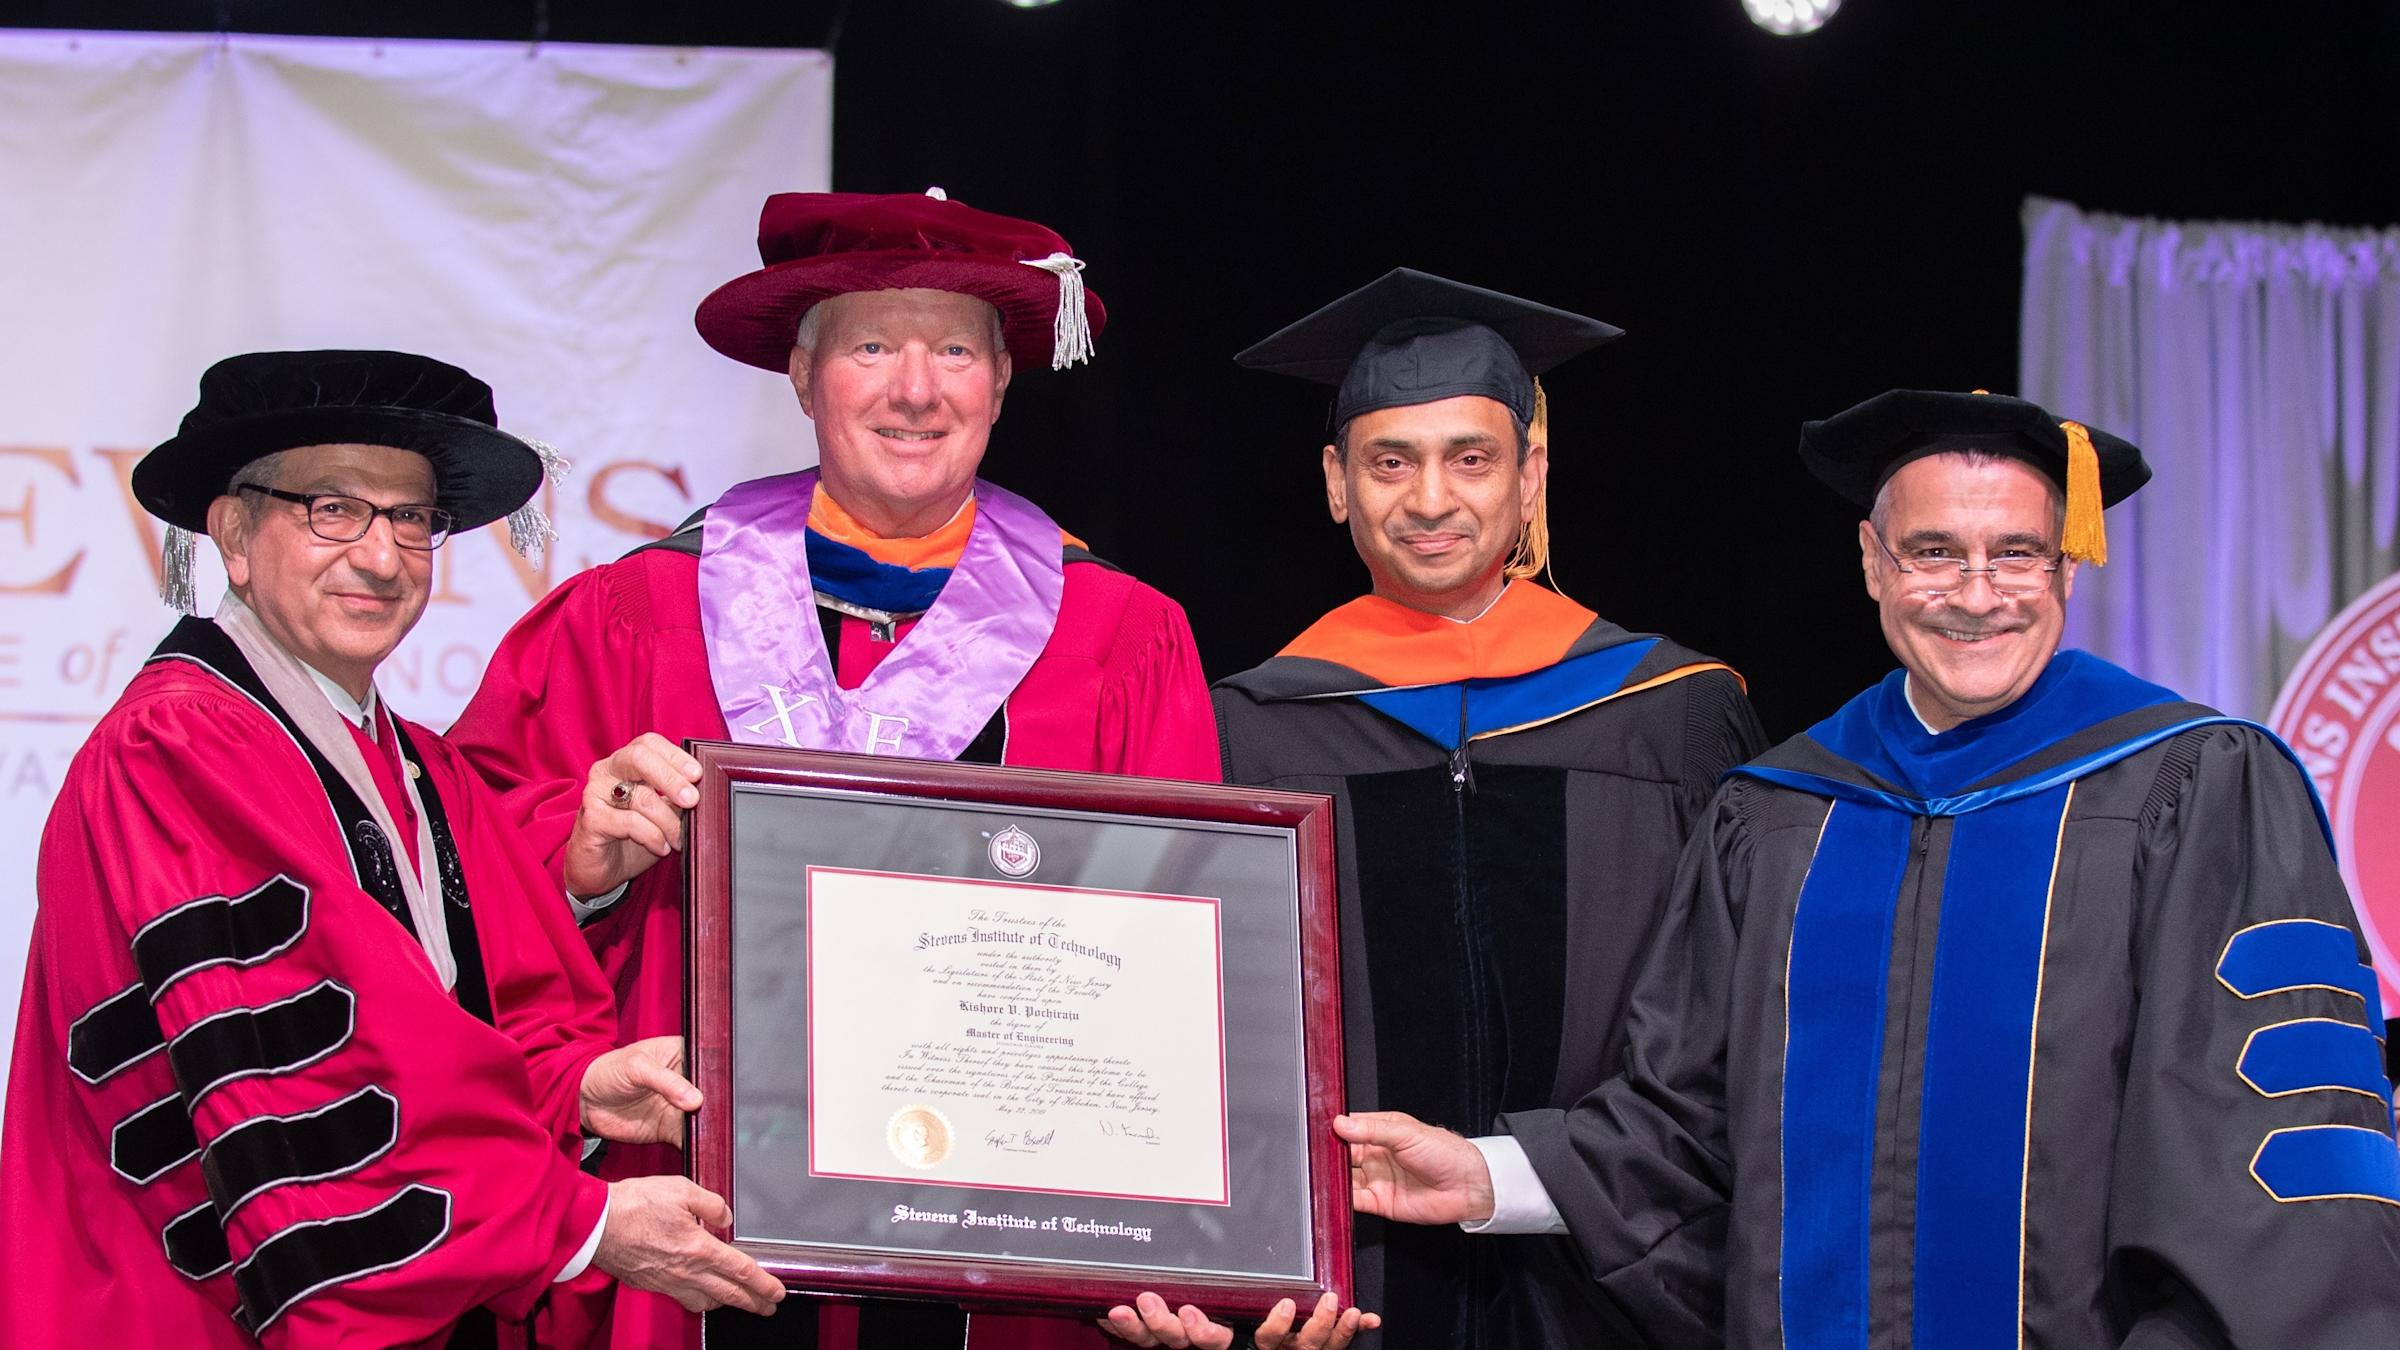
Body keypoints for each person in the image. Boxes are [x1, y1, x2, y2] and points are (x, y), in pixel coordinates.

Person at [1338, 388, 2400, 1347]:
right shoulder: (1784, 813)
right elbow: (1683, 1126)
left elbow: (2279, 1157)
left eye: (2017, 553)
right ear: (1872, 562)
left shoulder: (2194, 786)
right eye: (1933, 552)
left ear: (2067, 565)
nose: (1976, 594)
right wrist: (1487, 1176)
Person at [449, 189, 1222, 1350]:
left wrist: (1184, 1238)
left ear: (1004, 382)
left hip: (1007, 1243)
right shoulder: (634, 612)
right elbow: (452, 862)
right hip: (692, 1222)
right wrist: (580, 852)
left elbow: (1189, 962)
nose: (917, 389)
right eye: (871, 347)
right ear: (805, 380)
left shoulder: (1120, 637)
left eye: (956, 350)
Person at [0, 350, 784, 1347]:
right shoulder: (178, 750)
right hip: (183, 1313)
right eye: (332, 509)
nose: (380, 556)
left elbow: (451, 1024)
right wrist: (580, 1222)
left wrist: (577, 1088)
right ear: (235, 536)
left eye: (411, 519)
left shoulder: (419, 772)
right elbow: (302, 1079)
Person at [1162, 269, 1765, 1349]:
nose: (1430, 499)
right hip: (1338, 1300)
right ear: (1337, 483)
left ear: (1531, 476)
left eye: (1470, 458)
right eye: (1390, 462)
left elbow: (1725, 1035)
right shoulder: (1248, 730)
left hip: (1613, 1287)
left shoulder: (1671, 716)